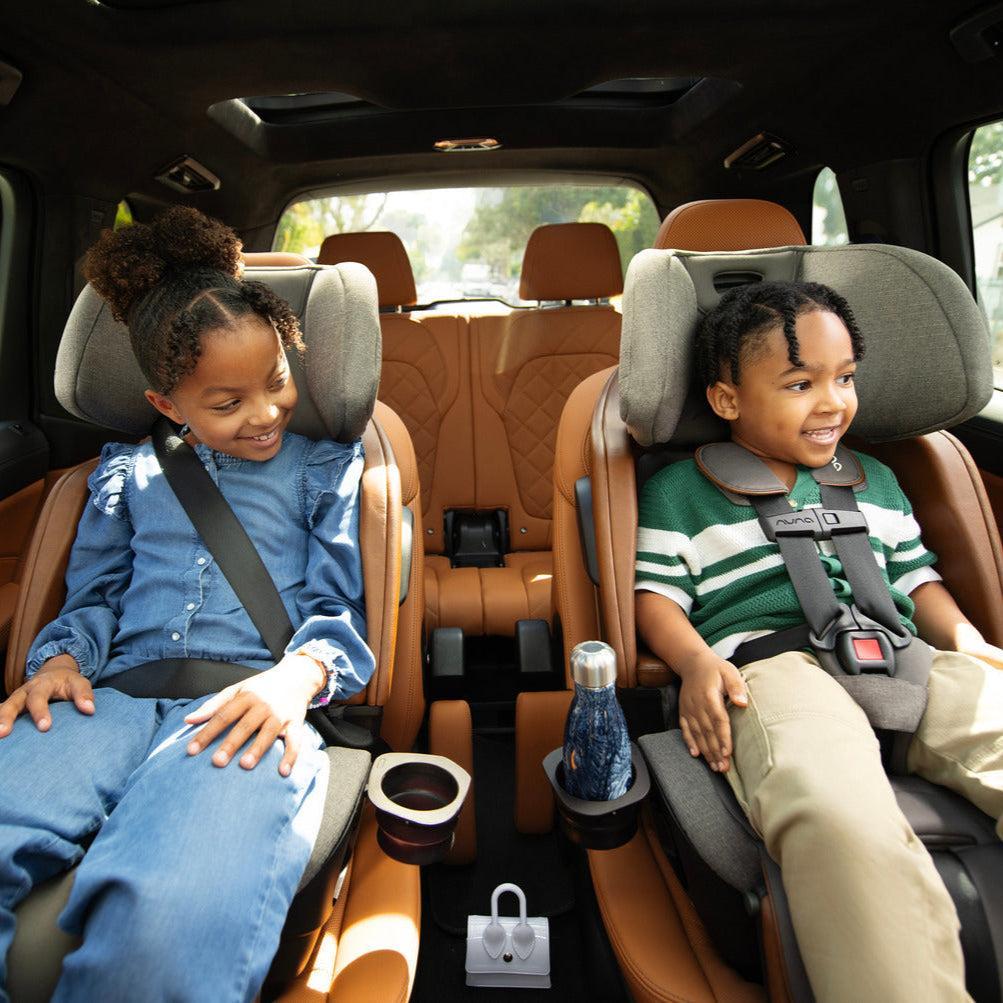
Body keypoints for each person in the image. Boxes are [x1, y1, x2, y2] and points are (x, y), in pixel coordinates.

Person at [0, 206, 376, 1003]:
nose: (266, 412)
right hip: (107, 701)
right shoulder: (123, 475)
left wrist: (296, 679)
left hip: (248, 704)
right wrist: (59, 661)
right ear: (168, 404)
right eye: (227, 402)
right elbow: (95, 598)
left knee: (162, 923)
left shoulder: (325, 468)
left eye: (276, 380)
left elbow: (340, 608)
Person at [635, 280, 1003, 1003]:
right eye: (800, 384)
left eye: (845, 378)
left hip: (901, 657)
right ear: (727, 399)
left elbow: (917, 579)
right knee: (834, 811)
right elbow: (656, 598)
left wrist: (969, 641)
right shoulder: (679, 492)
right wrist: (696, 662)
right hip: (775, 668)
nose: (832, 402)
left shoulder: (879, 480)